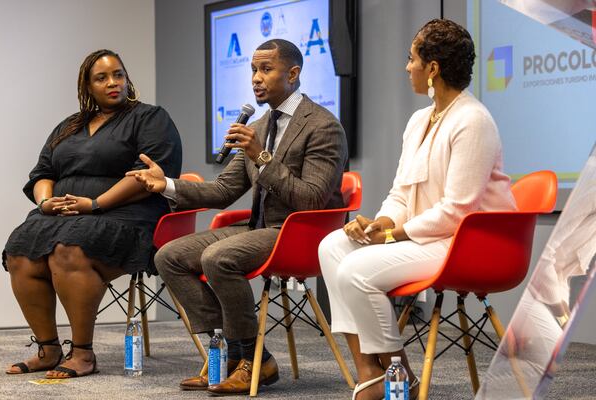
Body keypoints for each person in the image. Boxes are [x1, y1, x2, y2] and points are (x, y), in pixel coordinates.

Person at [127, 38, 347, 395]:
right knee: (169, 256)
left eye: (266, 69)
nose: (256, 78)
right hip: (258, 229)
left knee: (219, 257)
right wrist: (164, 184)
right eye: (253, 70)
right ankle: (228, 353)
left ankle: (252, 359)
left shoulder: (322, 126)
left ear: (293, 73)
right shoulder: (259, 127)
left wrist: (263, 158)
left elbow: (311, 200)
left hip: (299, 233)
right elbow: (223, 191)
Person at [317, 19, 517, 400]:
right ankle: (369, 370)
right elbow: (401, 193)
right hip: (425, 238)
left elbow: (458, 211)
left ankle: (397, 370)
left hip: (466, 244)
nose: (406, 66)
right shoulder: (417, 121)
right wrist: (380, 223)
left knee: (357, 270)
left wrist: (391, 236)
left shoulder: (473, 121)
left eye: (411, 59)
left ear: (433, 69)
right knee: (332, 247)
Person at [3, 49, 182, 379]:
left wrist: (96, 203)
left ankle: (82, 353)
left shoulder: (150, 118)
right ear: (87, 86)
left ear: (128, 79)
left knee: (69, 250)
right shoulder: (69, 126)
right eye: (102, 78)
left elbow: (150, 174)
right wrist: (45, 203)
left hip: (129, 214)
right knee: (19, 251)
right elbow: (43, 172)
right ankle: (48, 349)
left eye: (118, 75)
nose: (113, 83)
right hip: (63, 215)